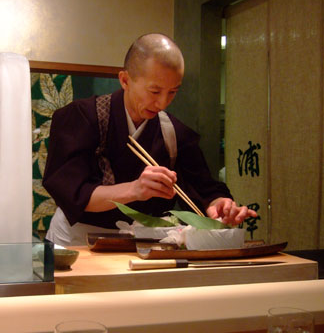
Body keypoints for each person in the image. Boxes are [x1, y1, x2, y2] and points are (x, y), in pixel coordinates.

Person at [42, 33, 257, 246]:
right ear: (125, 80)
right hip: (77, 240)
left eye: (172, 92)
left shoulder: (173, 132)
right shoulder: (82, 117)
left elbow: (204, 188)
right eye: (154, 91)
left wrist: (219, 205)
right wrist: (135, 189)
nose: (163, 103)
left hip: (142, 243)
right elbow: (72, 193)